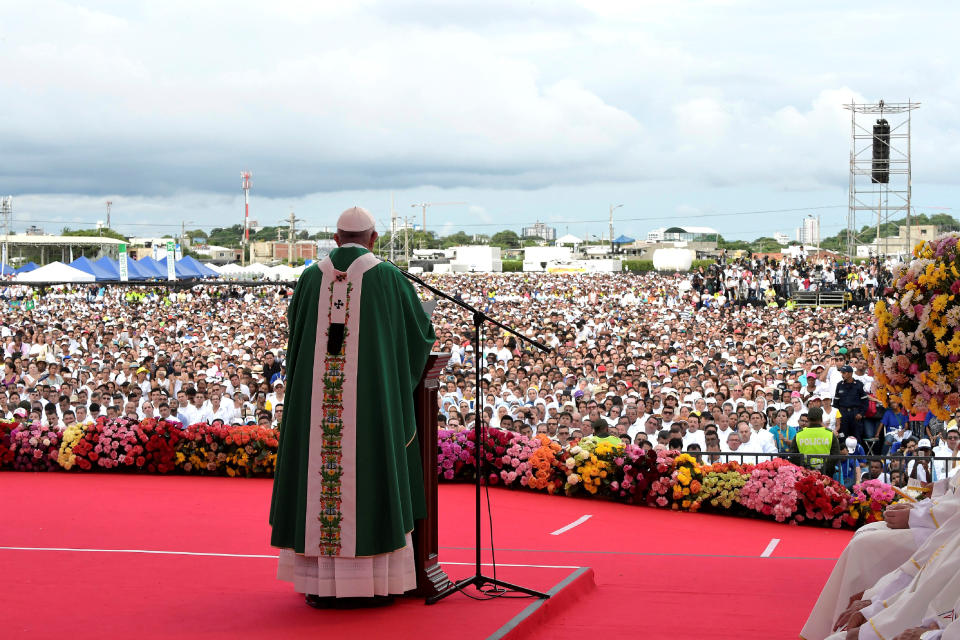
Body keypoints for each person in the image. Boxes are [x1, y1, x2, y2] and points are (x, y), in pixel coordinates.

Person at [270, 206, 436, 608]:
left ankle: (322, 585)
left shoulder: (310, 277)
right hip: (372, 409)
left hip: (317, 412)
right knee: (370, 473)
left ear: (336, 238)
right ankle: (374, 584)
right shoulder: (389, 277)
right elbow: (420, 337)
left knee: (318, 478)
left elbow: (298, 331)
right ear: (374, 238)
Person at [790, 407, 839, 478]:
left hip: (805, 475)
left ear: (808, 419)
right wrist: (822, 470)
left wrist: (808, 469)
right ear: (821, 419)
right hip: (826, 475)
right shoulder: (830, 434)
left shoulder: (799, 434)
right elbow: (835, 455)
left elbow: (793, 456)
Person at [833, 365, 868, 442]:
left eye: (844, 373)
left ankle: (857, 453)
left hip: (855, 413)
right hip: (843, 414)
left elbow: (865, 401)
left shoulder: (859, 384)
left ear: (850, 373)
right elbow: (836, 402)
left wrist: (861, 413)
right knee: (842, 436)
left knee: (857, 436)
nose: (842, 375)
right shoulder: (839, 385)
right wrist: (837, 416)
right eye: (842, 373)